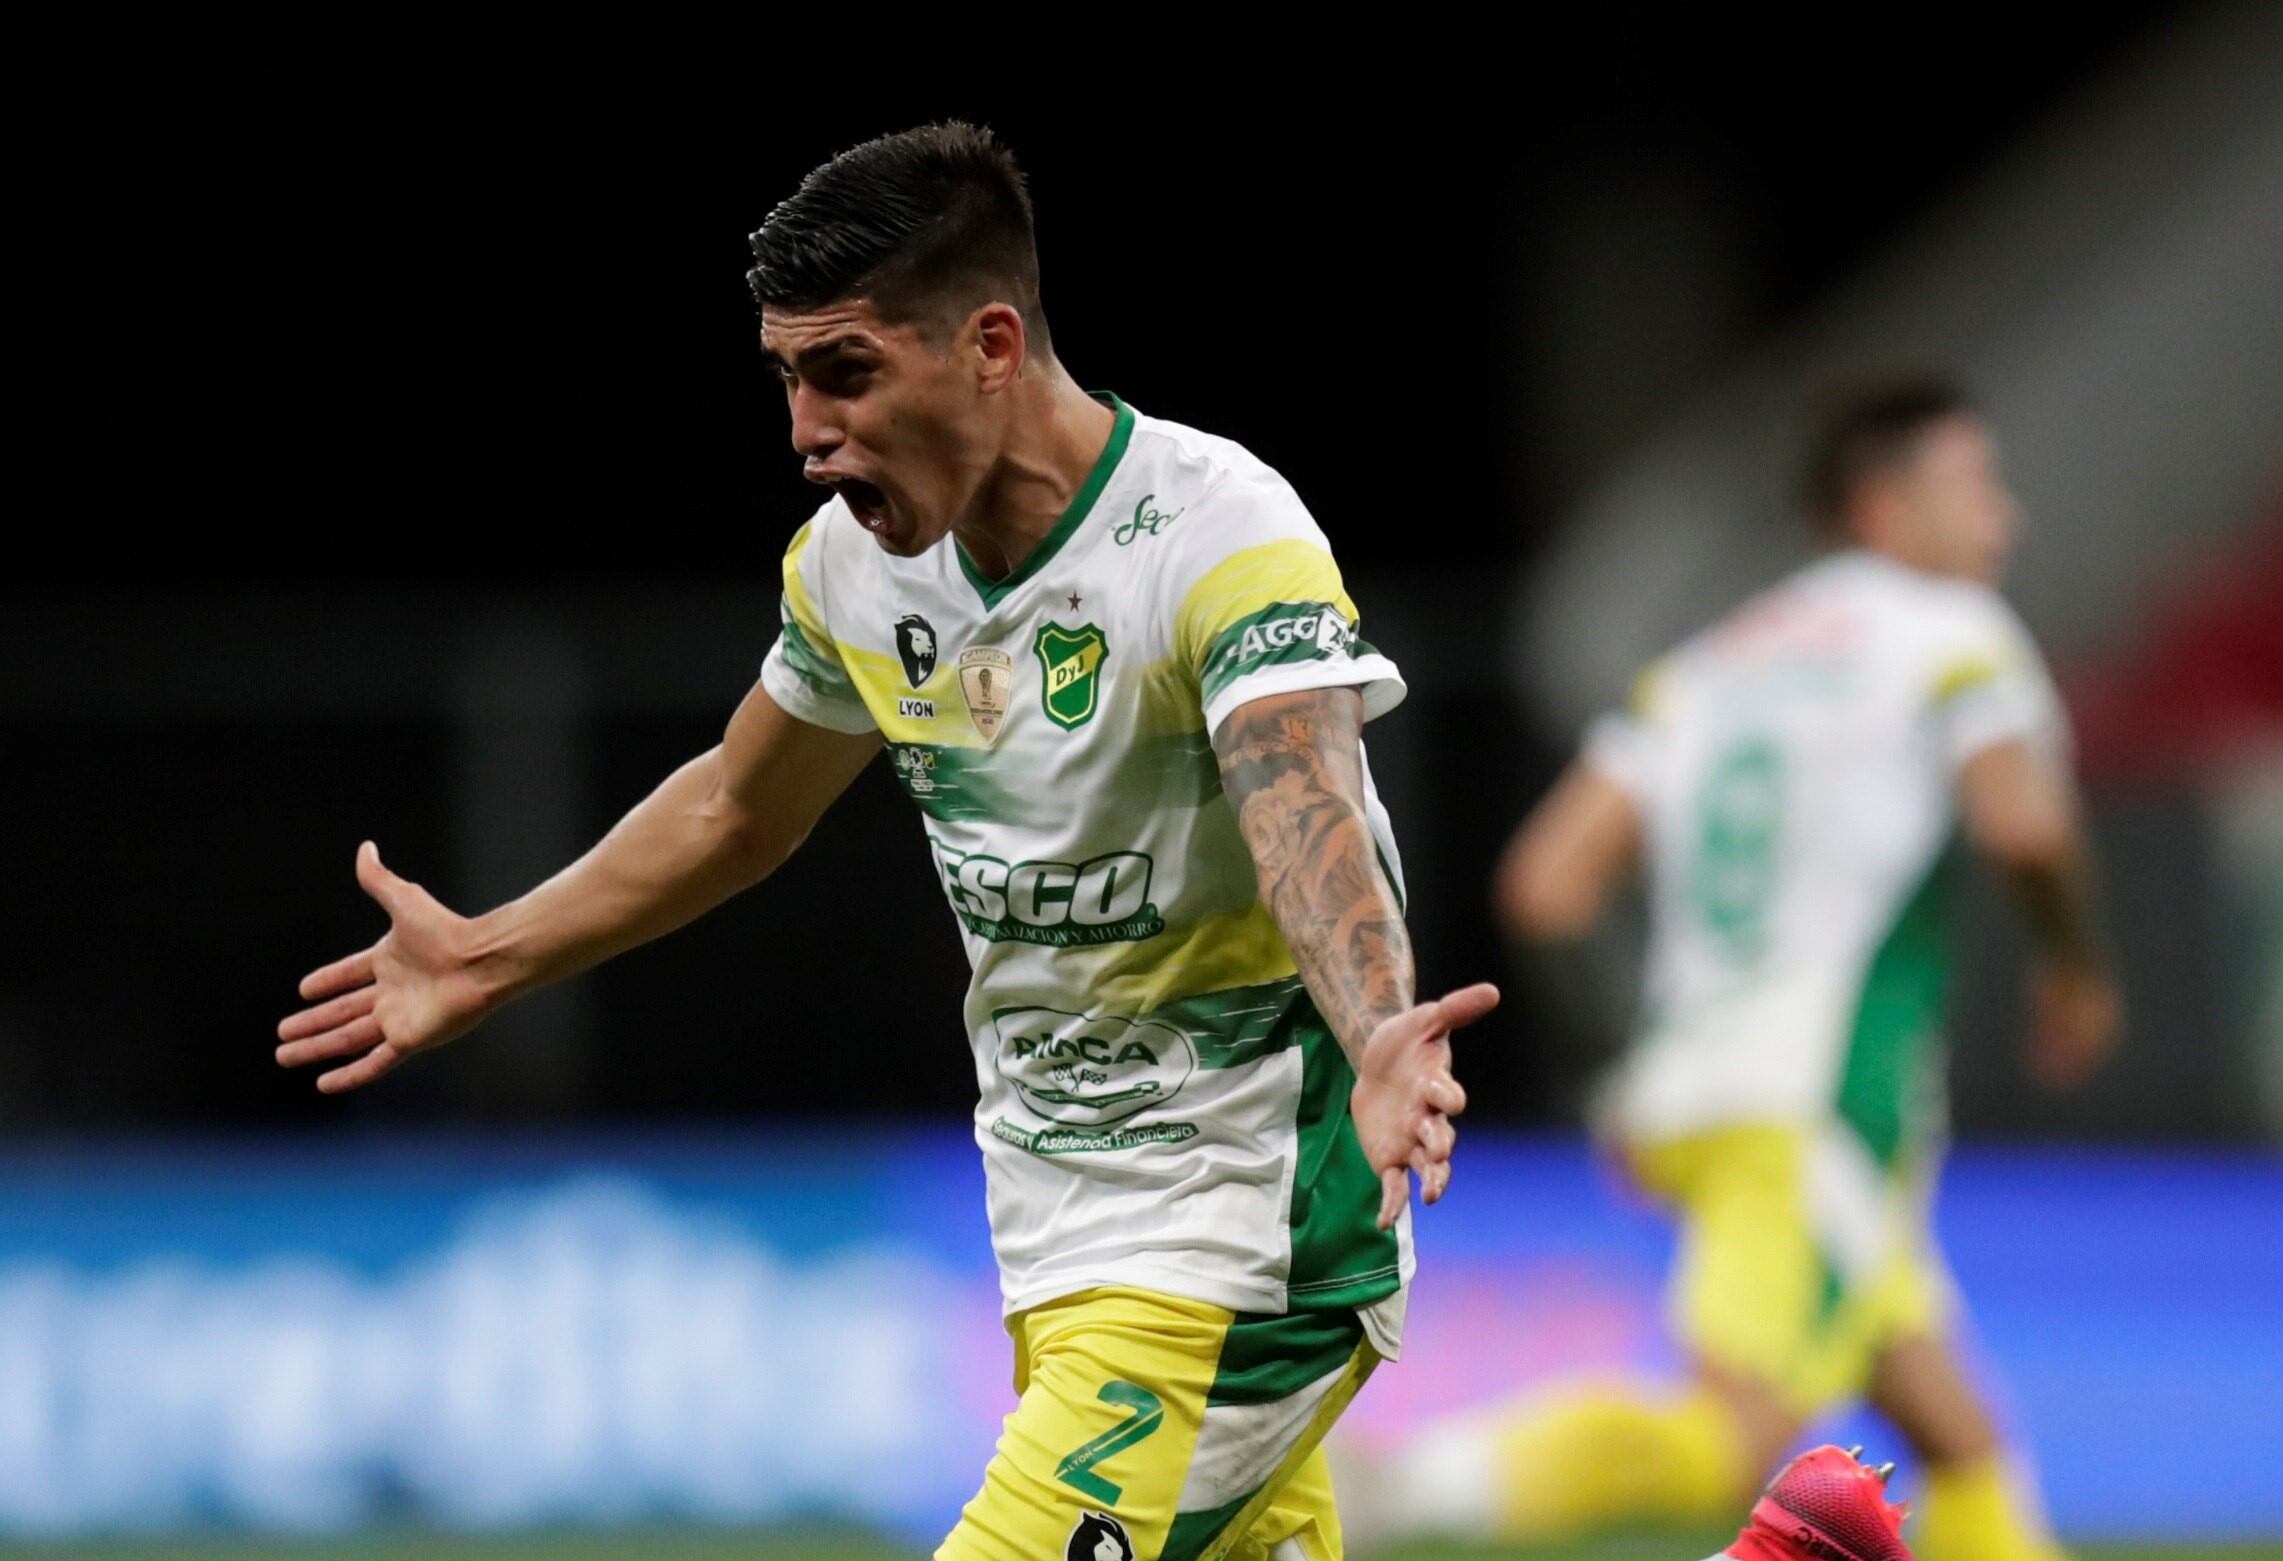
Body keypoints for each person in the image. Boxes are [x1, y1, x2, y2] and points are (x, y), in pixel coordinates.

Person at [274, 121, 1499, 1561]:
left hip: (1252, 1225)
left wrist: (1374, 1032)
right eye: (788, 379)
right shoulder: (857, 570)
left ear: (988, 343)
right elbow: (739, 805)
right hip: (1060, 1226)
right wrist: (489, 954)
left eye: (843, 371)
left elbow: (1298, 799)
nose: (803, 433)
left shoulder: (1216, 532)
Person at [1359, 382, 2120, 1560]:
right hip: (1820, 1105)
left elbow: (1546, 883)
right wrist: (2075, 967)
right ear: (1876, 503)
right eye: (1972, 484)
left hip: (1700, 1093)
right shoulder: (1952, 632)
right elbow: (2022, 827)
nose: (2002, 519)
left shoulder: (1710, 666)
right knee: (1733, 1436)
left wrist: (1616, 1074)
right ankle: (1400, 1490)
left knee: (1952, 1429)